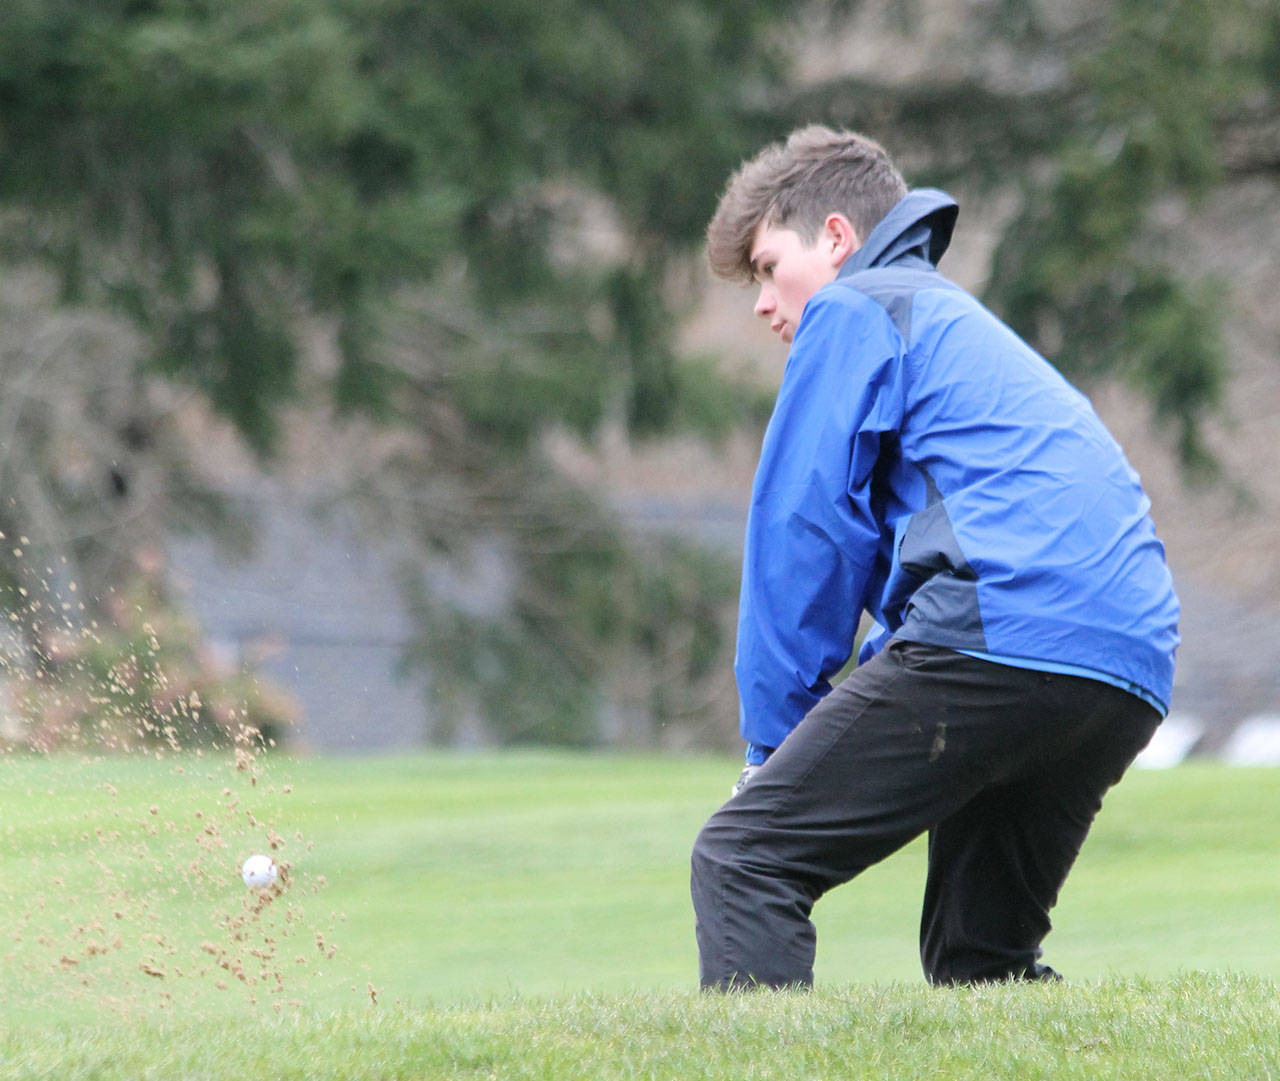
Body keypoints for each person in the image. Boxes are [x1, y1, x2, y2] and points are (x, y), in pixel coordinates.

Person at [690, 125, 1180, 990]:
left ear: (837, 238)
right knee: (979, 960)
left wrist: (771, 748)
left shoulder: (856, 307)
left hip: (1003, 632)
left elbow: (803, 540)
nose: (763, 303)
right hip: (1125, 658)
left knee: (745, 859)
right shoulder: (953, 325)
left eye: (768, 268)